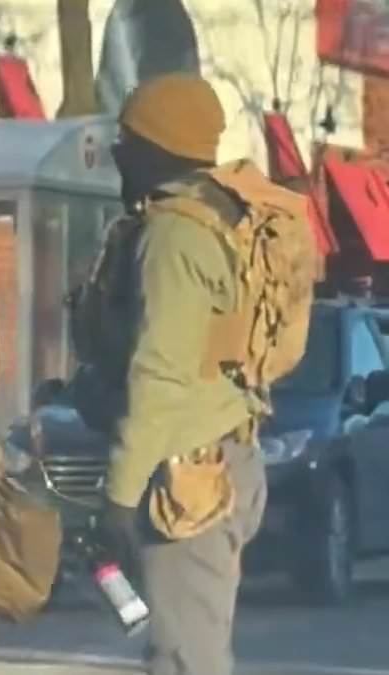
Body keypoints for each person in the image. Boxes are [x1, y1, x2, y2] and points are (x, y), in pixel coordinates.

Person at [73, 74, 306, 675]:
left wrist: (119, 498)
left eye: (127, 140)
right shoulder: (219, 215)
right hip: (217, 459)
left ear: (154, 145)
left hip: (187, 478)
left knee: (184, 660)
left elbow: (160, 376)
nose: (118, 153)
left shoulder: (175, 233)